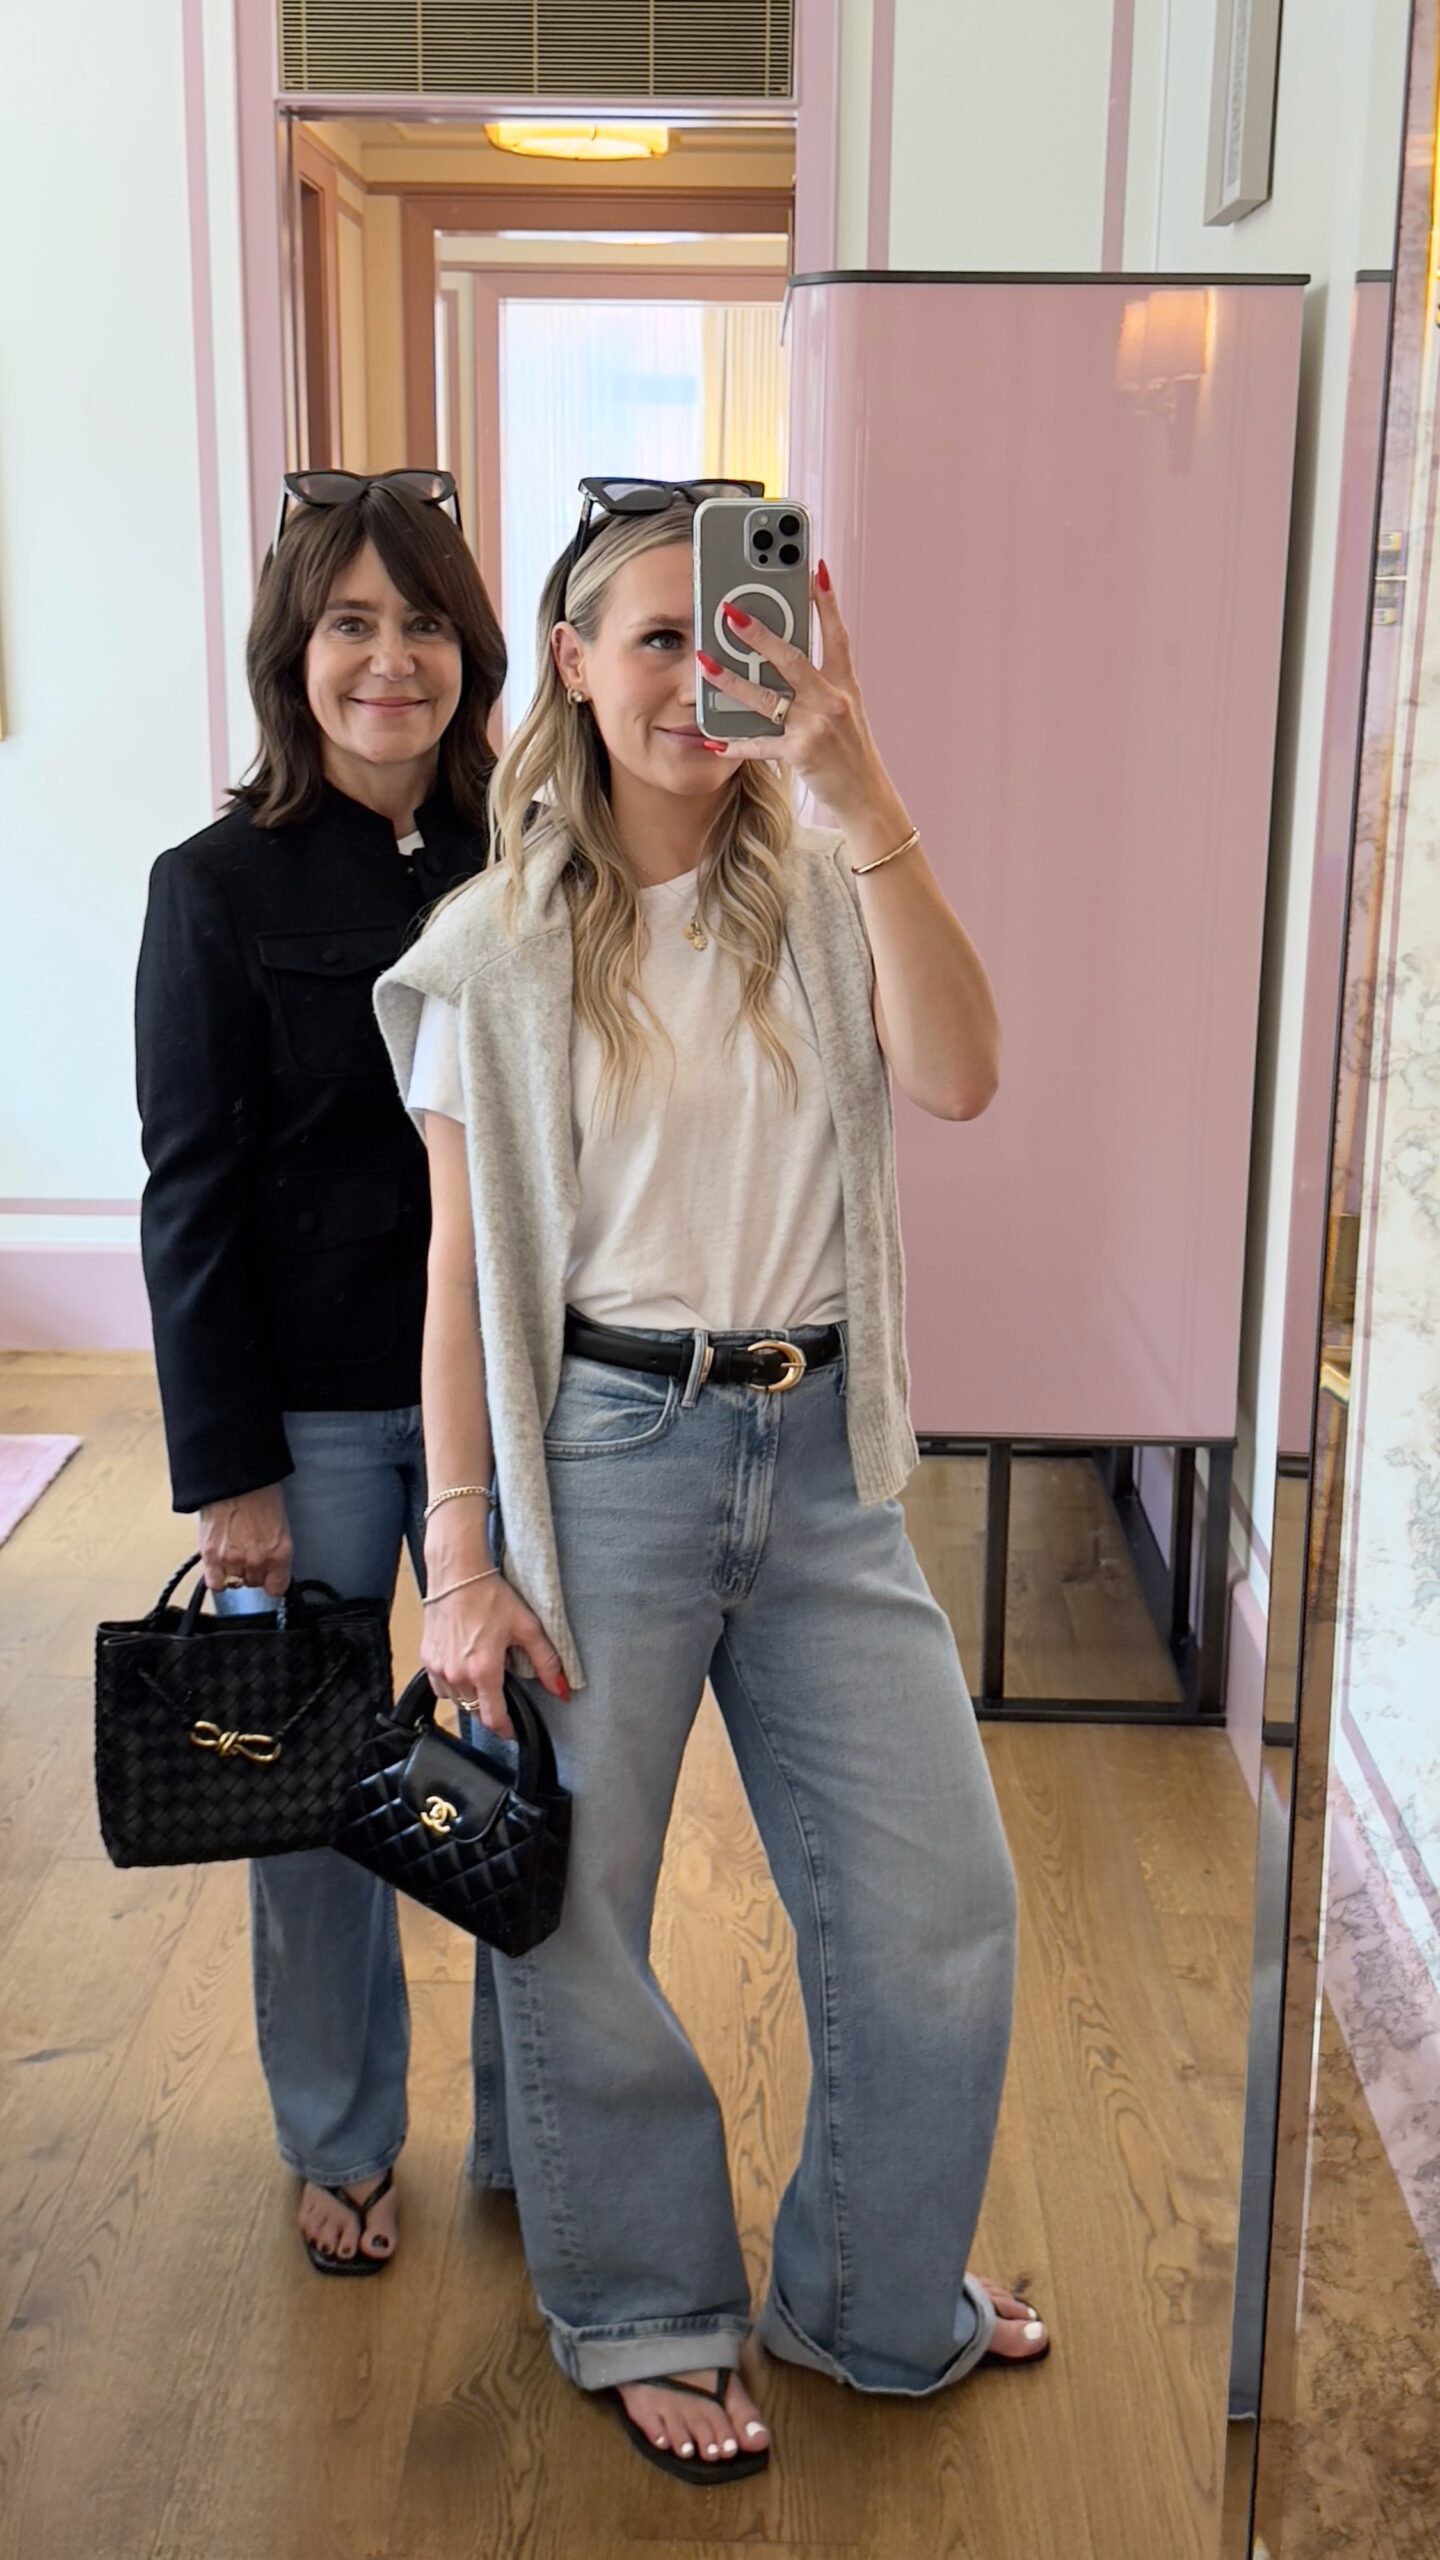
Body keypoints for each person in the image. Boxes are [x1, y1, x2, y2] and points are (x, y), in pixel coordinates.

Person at [375, 478, 1048, 2480]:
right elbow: (462, 1268)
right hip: (609, 1456)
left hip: (826, 1463)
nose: (697, 674)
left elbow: (964, 1075)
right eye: (652, 637)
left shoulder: (835, 885)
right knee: (577, 1908)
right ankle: (642, 2300)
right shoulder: (489, 949)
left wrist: (862, 778)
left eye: (730, 632)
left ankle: (867, 2286)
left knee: (946, 1904)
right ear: (569, 670)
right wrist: (465, 1558)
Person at [135, 470, 515, 2278]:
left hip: (523, 1408)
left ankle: (541, 2138)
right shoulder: (208, 889)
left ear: (474, 651)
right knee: (314, 1806)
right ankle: (344, 2135)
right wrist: (230, 1473)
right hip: (309, 1420)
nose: (391, 659)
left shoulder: (539, 860)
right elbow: (188, 1194)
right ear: (295, 655)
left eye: (424, 621)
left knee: (535, 1772)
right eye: (352, 623)